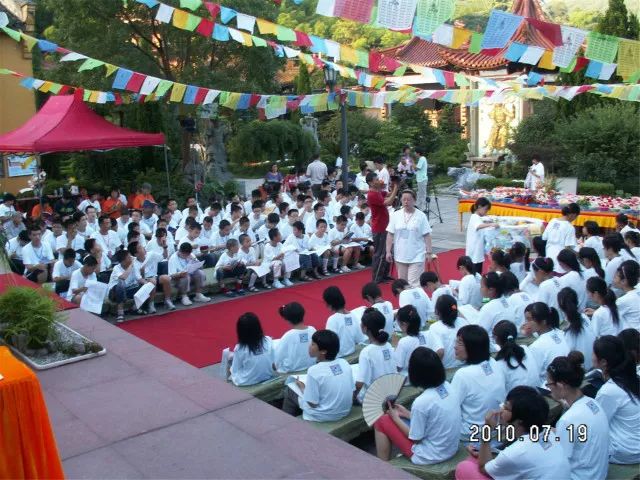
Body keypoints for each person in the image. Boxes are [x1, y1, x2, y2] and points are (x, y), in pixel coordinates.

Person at [455, 386, 570, 480]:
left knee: (464, 467)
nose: (500, 410)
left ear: (520, 421)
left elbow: (483, 468)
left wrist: (487, 429)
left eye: (506, 408)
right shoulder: (550, 432)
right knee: (475, 460)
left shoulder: (516, 452)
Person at [374, 347, 461, 464]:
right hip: (450, 449)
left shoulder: (422, 401)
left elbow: (416, 439)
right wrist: (407, 414)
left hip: (429, 456)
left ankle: (381, 467)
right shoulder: (448, 386)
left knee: (381, 421)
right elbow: (435, 419)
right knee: (398, 419)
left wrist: (395, 418)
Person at [546, 353, 610, 480]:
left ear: (560, 386)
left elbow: (559, 462)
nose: (548, 388)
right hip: (598, 473)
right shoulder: (592, 403)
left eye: (549, 385)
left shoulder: (568, 420)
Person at [282, 329, 354, 422]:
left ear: (323, 351)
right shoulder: (344, 363)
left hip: (323, 415)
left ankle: (285, 422)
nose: (309, 346)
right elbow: (352, 391)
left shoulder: (314, 370)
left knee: (290, 390)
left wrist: (303, 388)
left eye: (313, 344)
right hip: (345, 411)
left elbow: (313, 403)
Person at [451, 325, 505, 440]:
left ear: (472, 347)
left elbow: (450, 408)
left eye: (460, 343)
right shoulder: (492, 362)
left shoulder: (463, 374)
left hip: (471, 433)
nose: (455, 346)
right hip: (495, 427)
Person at [593, 336, 640, 464]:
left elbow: (597, 424)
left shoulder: (609, 391)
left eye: (594, 353)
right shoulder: (632, 377)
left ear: (603, 362)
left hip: (625, 452)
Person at [386, 190, 433, 288]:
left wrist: (429, 252)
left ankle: (416, 298)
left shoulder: (421, 216)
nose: (406, 202)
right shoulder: (395, 215)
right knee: (403, 284)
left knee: (414, 284)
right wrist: (388, 251)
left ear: (414, 201)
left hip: (417, 255)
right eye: (404, 199)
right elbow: (390, 234)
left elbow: (427, 235)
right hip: (400, 254)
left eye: (409, 199)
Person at [354, 308, 396, 403]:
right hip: (392, 392)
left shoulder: (367, 352)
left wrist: (354, 396)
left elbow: (360, 383)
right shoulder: (389, 345)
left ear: (365, 328)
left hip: (375, 398)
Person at [524, 302, 569, 386]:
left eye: (530, 319)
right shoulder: (560, 333)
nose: (526, 323)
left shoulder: (536, 346)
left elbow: (533, 376)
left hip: (550, 386)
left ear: (543, 321)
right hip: (565, 381)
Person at [366, 172, 398, 283]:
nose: (378, 181)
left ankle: (385, 274)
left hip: (385, 225)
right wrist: (396, 188)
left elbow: (388, 194)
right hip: (379, 227)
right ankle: (377, 277)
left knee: (387, 250)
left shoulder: (377, 191)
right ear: (370, 183)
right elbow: (388, 202)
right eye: (376, 179)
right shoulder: (372, 194)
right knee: (380, 253)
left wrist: (393, 186)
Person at [229, 313, 275, 386]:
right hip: (268, 375)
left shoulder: (240, 348)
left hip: (248, 381)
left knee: (230, 364)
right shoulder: (268, 340)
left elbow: (235, 369)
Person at [394, 305, 443, 374]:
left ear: (404, 324)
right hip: (429, 374)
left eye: (398, 323)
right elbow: (440, 351)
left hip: (410, 377)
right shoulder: (430, 333)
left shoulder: (403, 342)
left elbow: (398, 367)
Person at [493, 320, 539, 392]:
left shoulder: (498, 364)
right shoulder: (525, 348)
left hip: (519, 397)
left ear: (496, 338)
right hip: (535, 393)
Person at [107, 249, 153, 321]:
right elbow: (123, 277)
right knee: (120, 285)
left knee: (146, 286)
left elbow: (139, 279)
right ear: (123, 261)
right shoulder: (117, 268)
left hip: (128, 290)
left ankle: (135, 308)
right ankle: (120, 313)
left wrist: (147, 285)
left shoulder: (133, 266)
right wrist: (131, 266)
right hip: (114, 293)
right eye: (129, 257)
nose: (131, 259)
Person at [129, 241, 175, 312]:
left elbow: (164, 256)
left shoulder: (151, 254)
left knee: (166, 278)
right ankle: (151, 304)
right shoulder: (134, 263)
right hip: (143, 282)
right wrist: (147, 282)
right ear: (136, 254)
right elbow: (139, 279)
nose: (143, 248)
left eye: (141, 246)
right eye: (140, 247)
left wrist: (165, 247)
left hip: (155, 277)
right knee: (152, 281)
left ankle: (167, 300)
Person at [558, 287, 596, 371]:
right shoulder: (584, 317)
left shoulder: (568, 331)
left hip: (582, 370)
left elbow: (566, 356)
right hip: (593, 365)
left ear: (560, 307)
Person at [428, 295, 469, 369]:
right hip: (466, 365)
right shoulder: (463, 321)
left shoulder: (435, 327)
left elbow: (440, 352)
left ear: (438, 311)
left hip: (448, 368)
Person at [324, 286, 365, 358]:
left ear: (329, 304)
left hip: (339, 357)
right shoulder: (353, 316)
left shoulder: (332, 320)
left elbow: (329, 345)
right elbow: (360, 339)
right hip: (353, 354)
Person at [274, 302, 316, 374]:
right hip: (311, 366)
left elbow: (277, 358)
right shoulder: (312, 330)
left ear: (287, 319)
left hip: (292, 371)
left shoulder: (288, 335)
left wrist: (275, 367)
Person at [542, 203, 580, 273]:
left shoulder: (552, 221)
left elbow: (544, 237)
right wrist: (578, 255)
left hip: (549, 254)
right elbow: (567, 248)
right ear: (573, 215)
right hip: (561, 260)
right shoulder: (570, 227)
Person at [465, 197, 498, 274]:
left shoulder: (478, 217)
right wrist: (491, 224)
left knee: (477, 269)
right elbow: (478, 226)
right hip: (475, 250)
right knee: (475, 271)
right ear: (479, 207)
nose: (486, 212)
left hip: (477, 249)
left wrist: (489, 221)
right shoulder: (474, 217)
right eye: (485, 209)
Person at [614, 260, 640, 330]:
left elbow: (609, 314)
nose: (614, 278)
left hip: (633, 334)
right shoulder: (636, 292)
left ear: (624, 281)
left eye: (616, 276)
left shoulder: (623, 300)